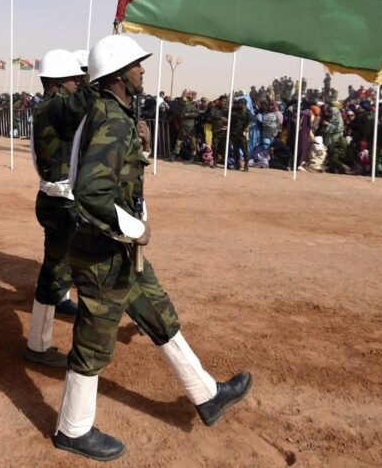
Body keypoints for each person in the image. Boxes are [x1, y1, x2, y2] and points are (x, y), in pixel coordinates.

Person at [53, 35, 252, 461]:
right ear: (120, 75)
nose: (144, 70)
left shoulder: (114, 114)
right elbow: (91, 191)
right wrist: (134, 228)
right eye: (137, 66)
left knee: (158, 315)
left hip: (121, 252)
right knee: (93, 345)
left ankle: (207, 394)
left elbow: (115, 172)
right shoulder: (112, 120)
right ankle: (72, 429)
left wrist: (139, 144)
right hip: (104, 251)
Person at [24, 49, 96, 368]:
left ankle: (59, 306)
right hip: (59, 202)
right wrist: (100, 77)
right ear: (55, 82)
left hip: (62, 199)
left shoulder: (53, 107)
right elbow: (82, 103)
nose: (78, 85)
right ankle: (38, 345)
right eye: (74, 79)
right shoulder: (53, 107)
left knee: (59, 266)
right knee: (54, 269)